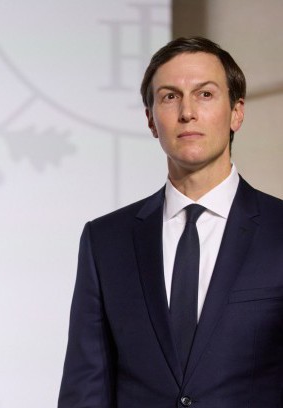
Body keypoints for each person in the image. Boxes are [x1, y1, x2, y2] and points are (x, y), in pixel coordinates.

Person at [58, 37, 283, 407]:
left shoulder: (278, 230)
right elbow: (85, 389)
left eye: (205, 94)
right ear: (151, 119)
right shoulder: (106, 240)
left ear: (236, 112)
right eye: (169, 97)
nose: (187, 112)